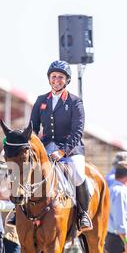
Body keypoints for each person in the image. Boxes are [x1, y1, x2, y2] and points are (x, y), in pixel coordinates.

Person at [30, 60, 92, 232]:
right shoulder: (41, 100)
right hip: (47, 145)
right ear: (49, 79)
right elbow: (33, 128)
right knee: (30, 170)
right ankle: (19, 210)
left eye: (61, 77)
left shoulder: (75, 102)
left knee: (78, 175)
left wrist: (62, 151)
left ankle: (83, 213)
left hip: (71, 147)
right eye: (54, 76)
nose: (57, 80)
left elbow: (77, 131)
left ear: (67, 80)